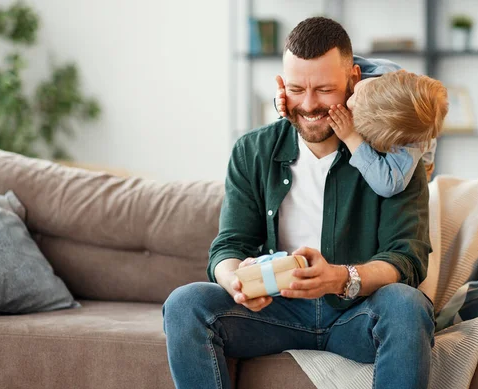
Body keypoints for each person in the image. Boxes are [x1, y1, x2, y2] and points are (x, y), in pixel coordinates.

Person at [163, 16, 435, 389]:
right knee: (184, 304)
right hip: (276, 312)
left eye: (324, 89)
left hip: (357, 313)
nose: (308, 105)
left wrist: (340, 278)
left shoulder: (395, 157)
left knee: (407, 305)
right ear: (281, 85)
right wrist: (235, 281)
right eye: (296, 88)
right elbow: (229, 246)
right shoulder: (253, 151)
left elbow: (407, 258)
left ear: (354, 80)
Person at [275, 65, 447, 196]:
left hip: (419, 166)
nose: (349, 102)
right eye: (357, 92)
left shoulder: (408, 145)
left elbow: (388, 185)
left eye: (356, 113)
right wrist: (283, 99)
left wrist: (352, 137)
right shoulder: (376, 71)